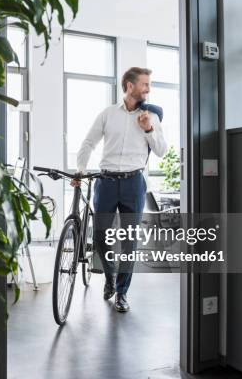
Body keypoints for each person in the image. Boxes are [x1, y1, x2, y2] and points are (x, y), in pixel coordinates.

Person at [72, 67, 167, 312]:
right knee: (101, 236)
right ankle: (110, 276)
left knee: (129, 241)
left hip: (134, 183)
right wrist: (80, 170)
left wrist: (148, 129)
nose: (148, 89)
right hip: (106, 181)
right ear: (129, 86)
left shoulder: (151, 117)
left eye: (148, 84)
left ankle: (122, 293)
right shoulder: (107, 114)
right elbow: (88, 143)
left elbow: (161, 151)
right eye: (145, 84)